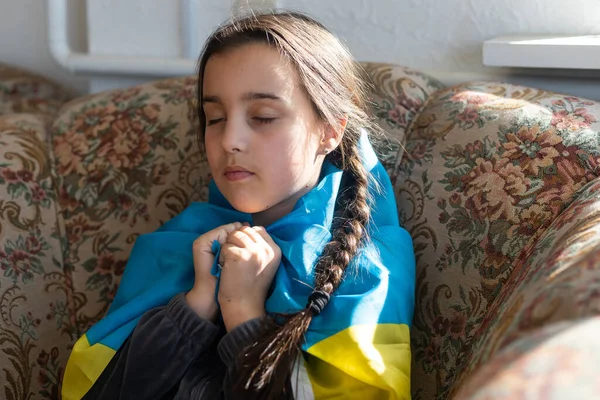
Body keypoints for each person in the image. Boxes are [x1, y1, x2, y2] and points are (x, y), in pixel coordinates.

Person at [61, 11, 415, 400]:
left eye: (262, 117)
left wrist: (242, 310)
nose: (230, 139)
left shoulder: (370, 267)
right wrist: (194, 308)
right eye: (215, 118)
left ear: (329, 130)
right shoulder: (178, 244)